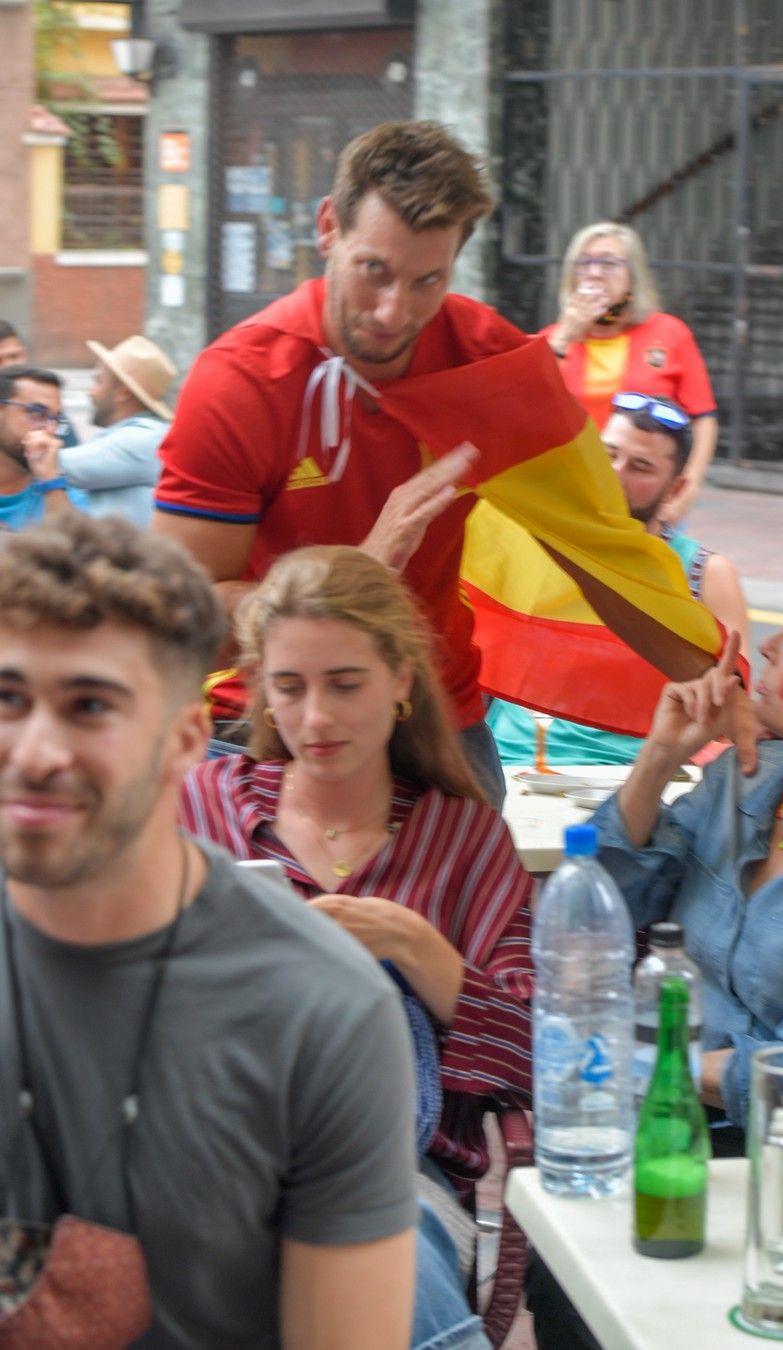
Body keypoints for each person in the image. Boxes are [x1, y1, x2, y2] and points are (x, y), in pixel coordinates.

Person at [152, 120, 753, 808]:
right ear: (328, 229)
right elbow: (181, 618)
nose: (391, 311)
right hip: (268, 714)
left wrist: (722, 686)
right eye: (373, 270)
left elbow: (604, 547)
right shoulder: (242, 380)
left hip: (433, 717)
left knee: (480, 914)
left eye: (425, 281)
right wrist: (352, 584)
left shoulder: (487, 362)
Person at [0, 514, 418, 1348]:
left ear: (186, 739)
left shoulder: (323, 1011)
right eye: (7, 699)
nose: (36, 751)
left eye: (90, 706)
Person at [529, 564, 783, 1350]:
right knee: (558, 1272)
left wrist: (647, 1061)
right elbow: (608, 911)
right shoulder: (745, 777)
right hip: (673, 1115)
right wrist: (661, 757)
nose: (766, 653)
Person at [180, 544, 535, 1348]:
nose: (315, 720)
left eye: (345, 685)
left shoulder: (464, 840)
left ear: (402, 682)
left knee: (379, 1236)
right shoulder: (202, 807)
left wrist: (420, 950)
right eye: (289, 688)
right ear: (261, 693)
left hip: (393, 1171)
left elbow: (542, 1057)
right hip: (204, 1153)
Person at [488, 392, 748, 764]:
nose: (615, 474)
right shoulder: (533, 540)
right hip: (513, 764)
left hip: (629, 778)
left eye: (640, 467)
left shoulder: (705, 575)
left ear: (675, 489)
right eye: (608, 455)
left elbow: (730, 718)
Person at [544, 221, 717, 524]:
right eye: (585, 263)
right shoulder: (552, 341)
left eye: (609, 263)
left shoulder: (669, 332)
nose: (595, 273)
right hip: (570, 494)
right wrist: (567, 333)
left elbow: (703, 419)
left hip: (644, 497)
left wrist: (687, 488)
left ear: (632, 276)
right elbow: (525, 404)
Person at [54, 335, 176, 527]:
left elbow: (52, 465)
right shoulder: (141, 435)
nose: (90, 391)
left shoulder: (143, 438)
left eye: (98, 381)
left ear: (123, 393)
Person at [0, 364, 88, 528]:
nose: (50, 429)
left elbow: (74, 550)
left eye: (56, 419)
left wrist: (50, 482)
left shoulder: (65, 496)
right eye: (36, 412)